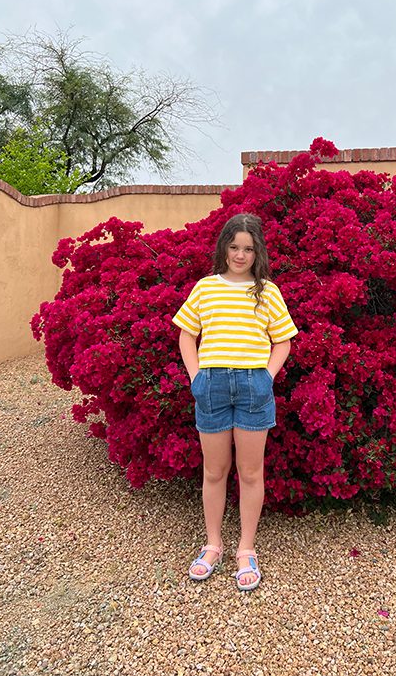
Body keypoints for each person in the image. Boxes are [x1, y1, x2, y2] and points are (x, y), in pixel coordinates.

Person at [173, 212, 297, 591]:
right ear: (223, 248)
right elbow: (186, 335)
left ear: (257, 251)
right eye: (234, 247)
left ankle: (246, 548)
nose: (240, 255)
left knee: (250, 472)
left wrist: (266, 376)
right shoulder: (206, 288)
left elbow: (283, 341)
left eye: (248, 248)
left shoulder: (268, 292)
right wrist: (196, 377)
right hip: (210, 384)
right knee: (214, 471)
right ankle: (213, 544)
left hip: (252, 386)